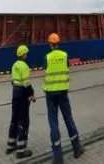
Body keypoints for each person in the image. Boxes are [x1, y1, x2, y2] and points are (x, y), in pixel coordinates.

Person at [43, 33, 84, 164]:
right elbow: (67, 67)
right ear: (58, 43)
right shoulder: (65, 55)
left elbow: (46, 69)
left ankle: (58, 157)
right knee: (68, 119)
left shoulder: (46, 57)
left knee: (53, 123)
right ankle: (77, 149)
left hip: (50, 94)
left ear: (50, 44)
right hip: (63, 93)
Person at [6, 45, 36, 159]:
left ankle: (10, 145)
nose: (27, 55)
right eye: (26, 53)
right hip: (23, 94)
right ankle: (21, 150)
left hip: (15, 93)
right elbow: (26, 84)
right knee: (23, 121)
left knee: (14, 119)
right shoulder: (24, 66)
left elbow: (13, 81)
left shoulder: (14, 65)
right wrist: (32, 94)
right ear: (23, 54)